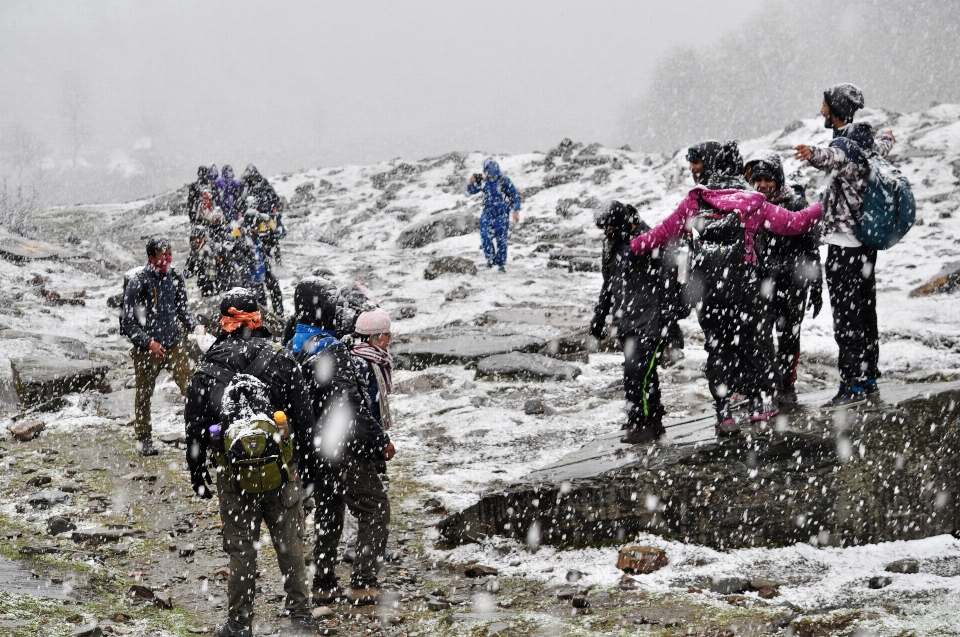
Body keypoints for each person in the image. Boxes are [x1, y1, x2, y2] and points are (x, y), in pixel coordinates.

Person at [631, 141, 823, 435]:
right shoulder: (753, 202)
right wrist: (824, 204)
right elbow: (796, 223)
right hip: (745, 287)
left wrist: (632, 246)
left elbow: (661, 234)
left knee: (717, 350)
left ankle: (724, 414)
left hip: (707, 290)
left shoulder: (695, 201)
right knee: (754, 344)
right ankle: (761, 407)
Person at [184, 288, 318, 637]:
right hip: (282, 472)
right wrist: (308, 473)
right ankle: (301, 617)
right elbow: (304, 421)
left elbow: (195, 428)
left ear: (223, 323)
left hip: (234, 475)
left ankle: (239, 624)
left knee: (242, 550)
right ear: (258, 320)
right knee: (290, 544)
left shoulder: (208, 368)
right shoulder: (281, 358)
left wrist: (198, 474)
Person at [287, 278, 394, 606]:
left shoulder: (295, 344)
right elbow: (351, 404)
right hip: (342, 446)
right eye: (330, 300)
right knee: (376, 508)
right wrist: (380, 442)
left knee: (329, 510)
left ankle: (323, 583)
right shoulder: (330, 348)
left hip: (312, 448)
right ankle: (363, 582)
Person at [794, 83, 896, 408]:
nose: (822, 110)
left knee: (847, 316)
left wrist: (813, 155)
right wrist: (890, 138)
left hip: (844, 245)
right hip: (867, 243)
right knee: (865, 311)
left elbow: (832, 157)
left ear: (835, 109)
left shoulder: (845, 144)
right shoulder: (867, 142)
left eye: (824, 105)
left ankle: (850, 386)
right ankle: (868, 377)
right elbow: (883, 146)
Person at [744, 151, 823, 406]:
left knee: (788, 337)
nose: (763, 185)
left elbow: (812, 248)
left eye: (768, 179)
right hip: (762, 285)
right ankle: (769, 385)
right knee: (762, 337)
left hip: (792, 286)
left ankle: (787, 387)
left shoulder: (795, 204)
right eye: (758, 179)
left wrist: (816, 284)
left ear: (779, 179)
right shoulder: (751, 206)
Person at [590, 201, 669, 445]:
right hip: (625, 321)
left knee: (635, 374)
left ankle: (639, 423)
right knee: (644, 373)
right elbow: (608, 284)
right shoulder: (610, 244)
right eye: (604, 229)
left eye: (610, 227)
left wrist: (670, 322)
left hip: (651, 320)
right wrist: (600, 315)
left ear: (623, 222)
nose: (607, 233)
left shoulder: (649, 240)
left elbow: (669, 284)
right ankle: (653, 420)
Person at [120, 237, 205, 456]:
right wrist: (149, 343)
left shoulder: (175, 276)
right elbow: (127, 322)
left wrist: (196, 326)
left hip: (174, 344)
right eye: (162, 255)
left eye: (169, 254)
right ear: (151, 257)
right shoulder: (138, 281)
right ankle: (144, 439)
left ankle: (199, 434)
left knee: (191, 388)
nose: (167, 259)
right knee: (144, 394)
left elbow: (183, 309)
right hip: (147, 349)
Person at [467, 159, 522, 272]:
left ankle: (500, 264)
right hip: (487, 215)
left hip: (502, 216)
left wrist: (516, 210)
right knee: (485, 235)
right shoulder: (484, 181)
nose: (485, 174)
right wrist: (471, 183)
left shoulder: (504, 181)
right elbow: (472, 191)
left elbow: (515, 196)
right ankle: (490, 259)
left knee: (502, 241)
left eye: (486, 171)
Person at [351, 308, 395, 437]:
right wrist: (376, 437)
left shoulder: (376, 360)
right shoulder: (362, 363)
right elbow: (363, 405)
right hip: (366, 434)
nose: (390, 339)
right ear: (373, 337)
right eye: (387, 334)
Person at [242, 165, 285, 260]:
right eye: (249, 177)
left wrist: (274, 208)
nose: (251, 178)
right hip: (252, 217)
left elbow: (274, 197)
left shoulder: (263, 184)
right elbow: (242, 201)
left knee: (271, 235)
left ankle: (274, 256)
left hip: (265, 214)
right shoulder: (245, 187)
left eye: (252, 176)